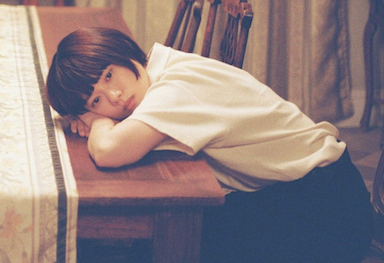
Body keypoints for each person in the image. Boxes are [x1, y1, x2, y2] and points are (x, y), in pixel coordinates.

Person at [46, 26, 373, 263]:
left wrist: (97, 119)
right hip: (301, 191)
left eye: (108, 75)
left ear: (121, 53)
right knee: (159, 242)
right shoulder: (164, 69)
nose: (115, 96)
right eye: (97, 99)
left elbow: (108, 151)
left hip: (326, 211)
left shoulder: (174, 89)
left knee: (171, 242)